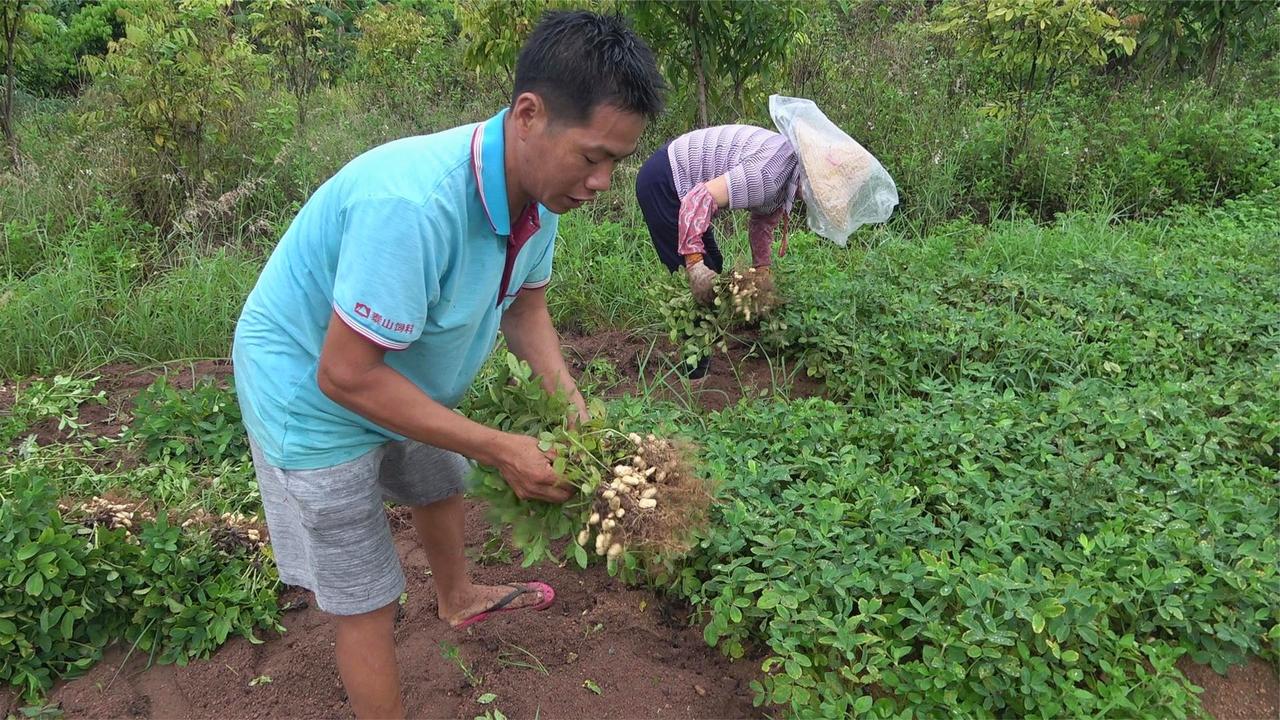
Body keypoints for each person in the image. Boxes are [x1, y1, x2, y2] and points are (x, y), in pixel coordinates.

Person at [230, 11, 665, 719]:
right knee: (367, 595)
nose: (604, 182)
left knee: (439, 470)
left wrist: (579, 418)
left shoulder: (540, 195)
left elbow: (526, 313)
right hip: (309, 386)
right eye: (592, 157)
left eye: (616, 161)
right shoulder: (413, 205)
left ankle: (459, 599)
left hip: (392, 364)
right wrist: (500, 447)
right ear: (529, 115)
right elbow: (344, 374)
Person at [635, 124, 801, 377]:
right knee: (696, 282)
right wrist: (693, 262)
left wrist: (762, 269)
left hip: (680, 183)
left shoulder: (787, 171)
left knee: (715, 263)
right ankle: (695, 373)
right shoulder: (768, 174)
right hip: (665, 181)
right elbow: (697, 199)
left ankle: (702, 352)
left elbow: (762, 223)